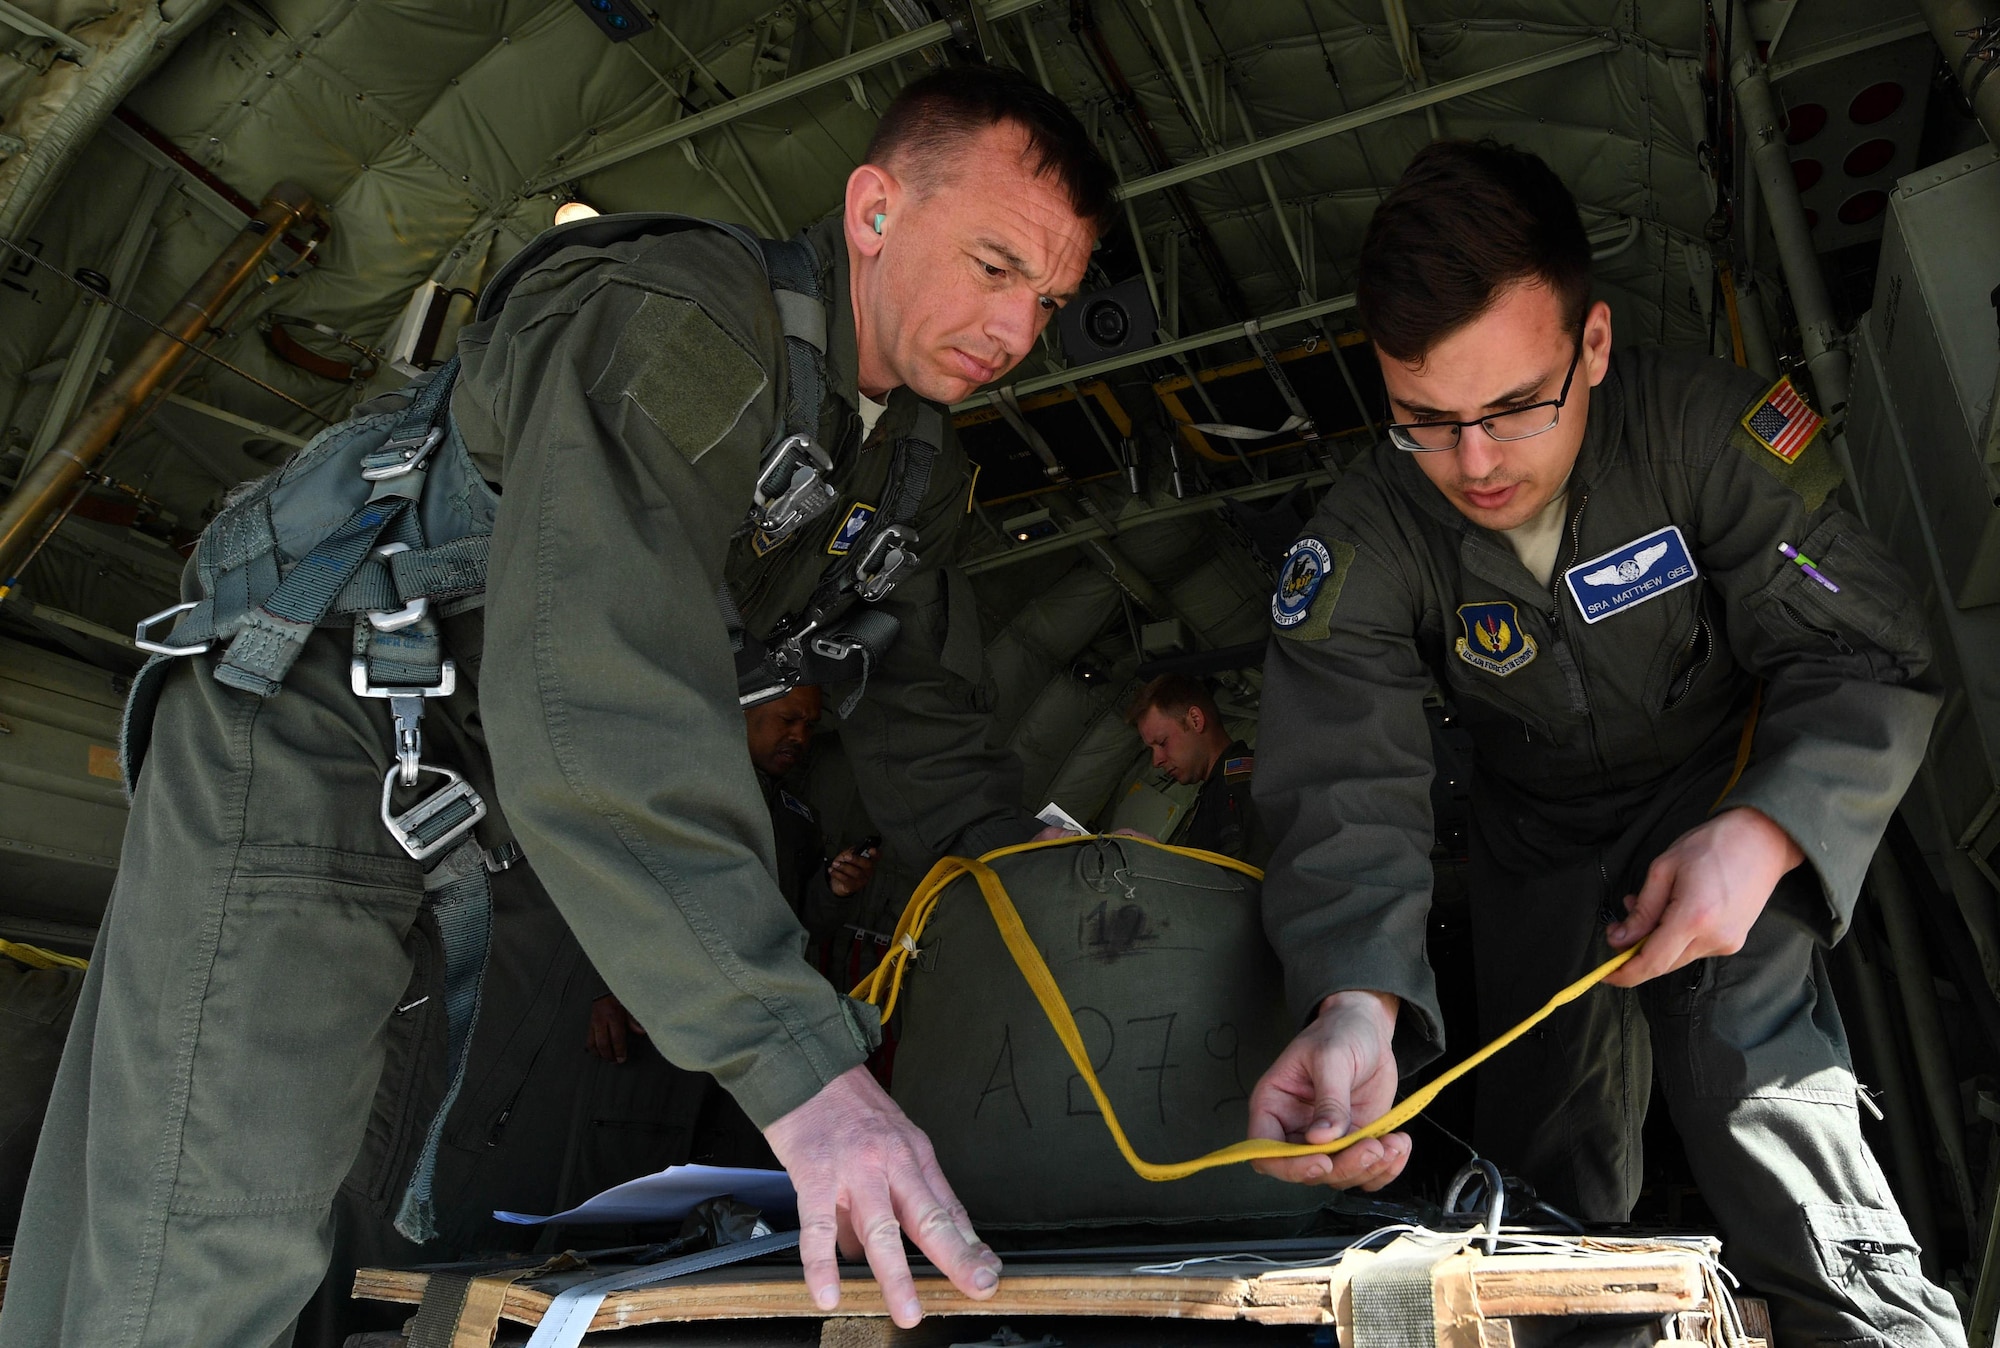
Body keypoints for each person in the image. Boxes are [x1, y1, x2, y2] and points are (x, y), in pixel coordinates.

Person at [0, 65, 1111, 1347]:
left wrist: (1051, 889)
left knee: (303, 1228)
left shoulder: (907, 463)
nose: (1017, 329)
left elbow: (918, 716)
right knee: (207, 1242)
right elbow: (599, 688)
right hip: (315, 726)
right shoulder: (678, 323)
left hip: (459, 800)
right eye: (991, 266)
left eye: (1047, 298)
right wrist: (805, 1072)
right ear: (873, 210)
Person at [1246, 140, 1964, 1347]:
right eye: (1424, 420)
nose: (1472, 463)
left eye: (1514, 406)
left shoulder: (1704, 435)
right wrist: (1356, 1000)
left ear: (1590, 346)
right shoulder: (1365, 538)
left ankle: (1874, 1325)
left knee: (1757, 1089)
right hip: (1536, 844)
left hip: (1718, 798)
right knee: (1548, 1172)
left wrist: (1764, 832)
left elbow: (1863, 645)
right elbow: (1342, 777)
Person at [588, 684, 876, 1065]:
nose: (800, 737)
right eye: (788, 720)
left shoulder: (798, 818)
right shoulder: (674, 787)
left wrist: (834, 889)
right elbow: (604, 887)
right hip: (648, 1006)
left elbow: (800, 926)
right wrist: (602, 986)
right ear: (740, 712)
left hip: (746, 1024)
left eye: (810, 726)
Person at [1125, 674, 1268, 864]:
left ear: (1195, 719)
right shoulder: (1217, 789)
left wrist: (1163, 863)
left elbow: (1243, 884)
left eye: (1162, 742)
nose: (1156, 761)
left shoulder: (1241, 785)